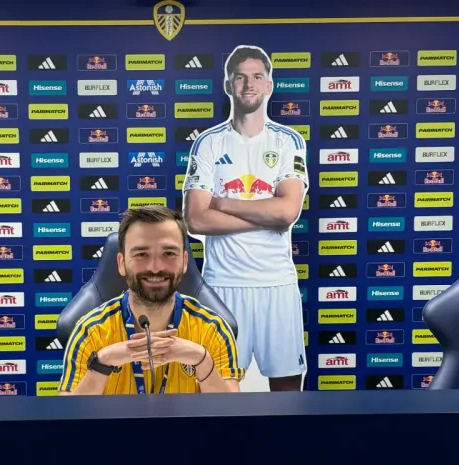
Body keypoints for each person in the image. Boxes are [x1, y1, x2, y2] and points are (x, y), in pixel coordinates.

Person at [183, 44, 309, 392]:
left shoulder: (288, 141)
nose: (248, 84)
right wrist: (267, 216)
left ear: (269, 86)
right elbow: (196, 220)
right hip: (222, 285)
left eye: (257, 77)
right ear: (228, 85)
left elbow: (286, 212)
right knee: (215, 390)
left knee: (286, 394)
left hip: (276, 284)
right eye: (240, 77)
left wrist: (221, 203)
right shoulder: (208, 144)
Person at [59, 206, 242, 395]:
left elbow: (232, 419)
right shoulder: (91, 330)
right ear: (121, 264)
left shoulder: (213, 329)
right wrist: (102, 362)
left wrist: (202, 360)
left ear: (185, 262)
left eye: (169, 253)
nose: (155, 268)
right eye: (141, 254)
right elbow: (68, 418)